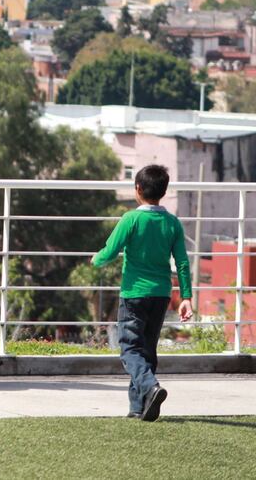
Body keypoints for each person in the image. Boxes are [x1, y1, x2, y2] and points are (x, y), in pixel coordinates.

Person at [92, 164, 193, 421]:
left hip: (134, 294)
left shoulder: (131, 219)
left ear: (138, 189)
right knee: (146, 349)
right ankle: (138, 407)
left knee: (129, 348)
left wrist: (96, 260)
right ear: (164, 191)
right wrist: (186, 297)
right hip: (161, 294)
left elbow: (110, 250)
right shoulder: (172, 223)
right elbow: (181, 262)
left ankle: (150, 387)